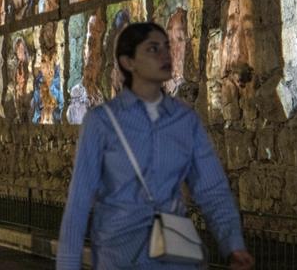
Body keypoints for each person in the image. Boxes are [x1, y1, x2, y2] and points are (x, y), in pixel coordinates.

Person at [57, 22, 254, 269]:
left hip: (174, 255)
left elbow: (212, 189)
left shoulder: (185, 120)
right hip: (120, 257)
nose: (165, 55)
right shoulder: (101, 123)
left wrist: (233, 246)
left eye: (166, 47)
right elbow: (79, 201)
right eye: (152, 49)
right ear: (129, 62)